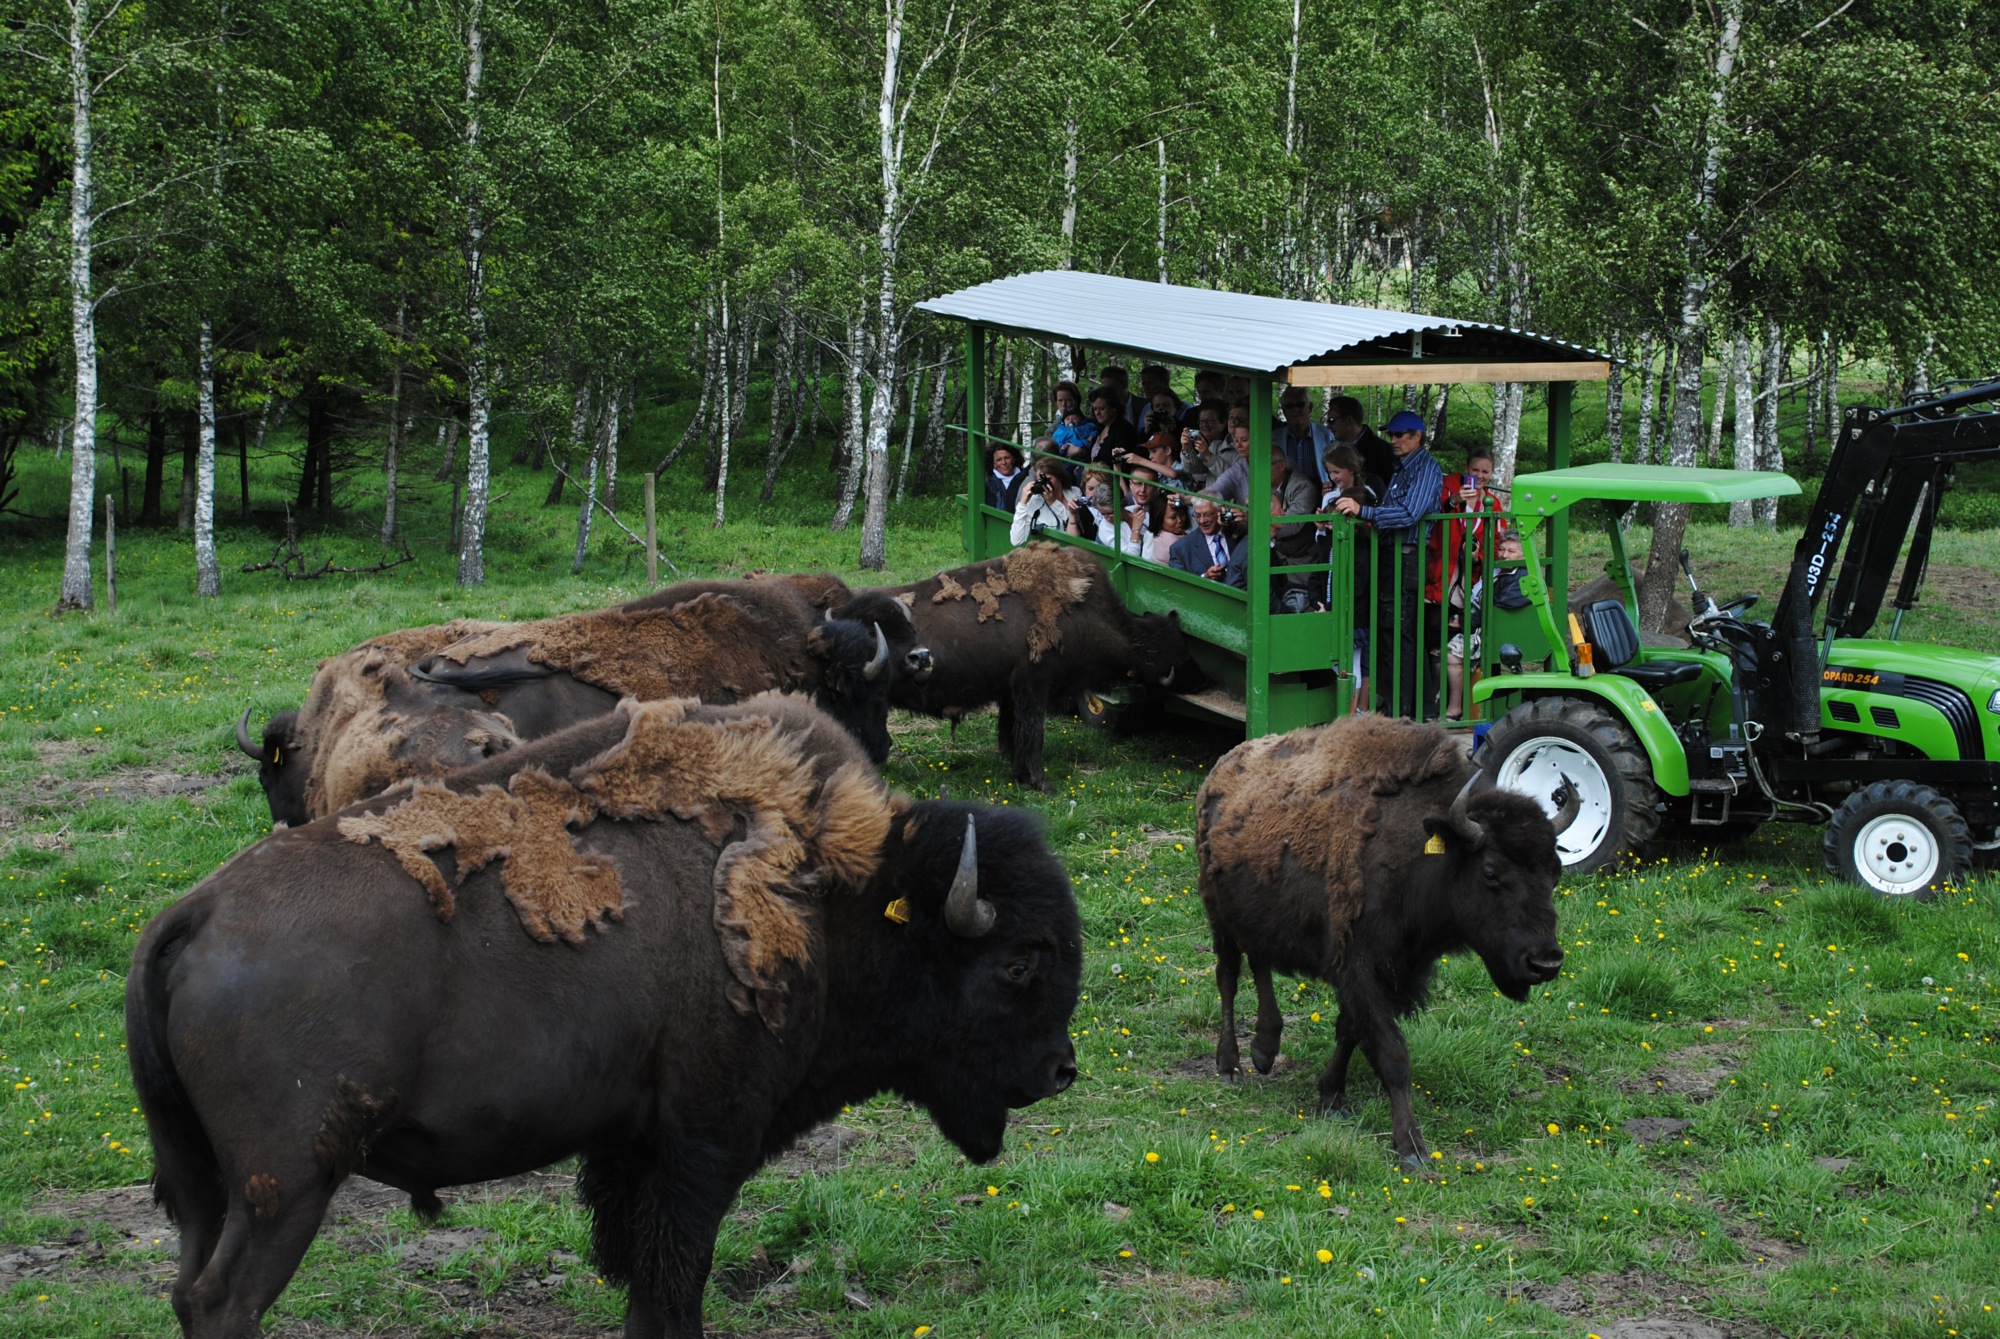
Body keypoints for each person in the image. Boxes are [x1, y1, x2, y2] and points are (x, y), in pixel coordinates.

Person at [1331, 409, 1442, 716]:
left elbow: (1409, 513)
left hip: (1407, 557)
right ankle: (1416, 710)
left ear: (1417, 437)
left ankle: (1401, 714)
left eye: (1400, 434)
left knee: (1399, 634)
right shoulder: (1402, 466)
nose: (1393, 439)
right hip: (1395, 556)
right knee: (1398, 634)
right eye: (1391, 434)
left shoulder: (1426, 468)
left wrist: (1364, 512)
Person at [1444, 529, 1532, 721]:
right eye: (1502, 549)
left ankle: (1455, 709)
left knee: (1451, 653)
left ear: (1523, 555)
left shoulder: (1521, 578)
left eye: (1511, 551)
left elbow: (1497, 607)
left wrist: (1464, 621)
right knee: (1436, 643)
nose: (1504, 555)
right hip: (1479, 624)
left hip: (1495, 632)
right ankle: (1443, 702)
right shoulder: (1498, 570)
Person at [1318, 443, 1380, 706]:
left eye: (1336, 471)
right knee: (1347, 663)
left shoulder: (1366, 498)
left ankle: (1355, 711)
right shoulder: (1331, 501)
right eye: (1330, 472)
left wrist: (1334, 606)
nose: (1333, 477)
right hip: (1342, 608)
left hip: (1353, 613)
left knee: (1353, 664)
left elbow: (1356, 584)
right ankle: (1355, 711)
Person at [1169, 497, 1248, 589]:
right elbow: (1177, 588)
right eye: (1197, 516)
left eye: (1208, 515)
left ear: (1220, 511)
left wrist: (1245, 522)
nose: (1202, 521)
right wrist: (1204, 578)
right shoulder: (1180, 549)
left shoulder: (1236, 532)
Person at [1327, 395, 1395, 490]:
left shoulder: (1384, 452)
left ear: (1348, 421)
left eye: (1331, 421)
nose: (1328, 426)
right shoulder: (1333, 451)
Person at [1011, 458, 1082, 544]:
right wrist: (1022, 503)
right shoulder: (1034, 502)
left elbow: (1072, 526)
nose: (1044, 484)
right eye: (1040, 480)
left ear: (1059, 476)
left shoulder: (1074, 492)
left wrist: (1053, 503)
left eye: (1048, 479)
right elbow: (1016, 540)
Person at [1277, 388, 1333, 487]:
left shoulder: (1328, 435)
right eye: (1289, 406)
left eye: (1300, 404)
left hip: (1321, 494)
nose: (1295, 410)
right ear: (1284, 410)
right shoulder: (1273, 439)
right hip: (1286, 495)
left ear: (1310, 407)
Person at [1086, 385, 1137, 466]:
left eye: (1102, 408)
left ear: (1114, 407)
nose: (1097, 413)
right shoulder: (1101, 428)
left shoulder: (1123, 430)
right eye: (1095, 409)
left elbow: (1123, 462)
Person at [985, 444, 1027, 511]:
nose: (1003, 462)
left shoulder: (1027, 476)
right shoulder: (989, 483)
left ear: (1014, 459)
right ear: (994, 464)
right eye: (999, 460)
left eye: (1007, 458)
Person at [1151, 496, 1190, 564]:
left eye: (1182, 514)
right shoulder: (1171, 541)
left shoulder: (1160, 535)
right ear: (1160, 519)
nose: (1180, 520)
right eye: (1173, 517)